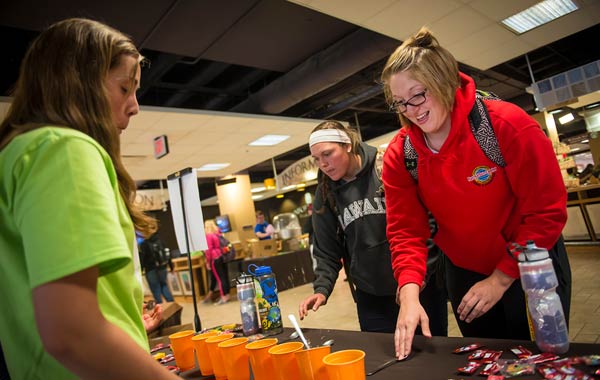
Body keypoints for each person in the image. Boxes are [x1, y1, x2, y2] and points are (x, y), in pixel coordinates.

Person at [0, 18, 179, 379]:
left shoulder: (19, 152)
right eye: (125, 88)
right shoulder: (63, 148)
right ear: (79, 82)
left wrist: (128, 330)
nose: (134, 106)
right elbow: (72, 334)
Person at [380, 27, 571, 358]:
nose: (411, 110)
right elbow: (406, 231)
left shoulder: (505, 125)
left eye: (418, 95)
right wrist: (409, 296)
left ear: (444, 82)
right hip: (465, 268)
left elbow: (545, 211)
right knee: (485, 360)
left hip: (528, 262)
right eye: (400, 102)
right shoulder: (402, 155)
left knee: (538, 359)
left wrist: (500, 279)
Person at [298, 120, 448, 334]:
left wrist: (420, 276)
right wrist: (322, 288)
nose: (323, 163)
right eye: (316, 159)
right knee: (382, 360)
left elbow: (427, 222)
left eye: (328, 154)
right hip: (371, 296)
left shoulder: (386, 167)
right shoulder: (325, 192)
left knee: (432, 355)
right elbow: (326, 248)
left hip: (418, 285)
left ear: (348, 145)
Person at [139, 232, 175, 304]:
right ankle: (172, 304)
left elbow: (141, 259)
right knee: (164, 285)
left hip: (150, 269)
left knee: (155, 289)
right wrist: (171, 267)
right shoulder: (160, 241)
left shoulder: (144, 244)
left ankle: (160, 308)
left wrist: (141, 270)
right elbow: (168, 254)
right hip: (162, 268)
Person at [203, 220, 231, 305]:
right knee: (224, 277)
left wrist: (208, 262)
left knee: (219, 279)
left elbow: (208, 251)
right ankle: (227, 295)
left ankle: (223, 297)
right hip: (221, 256)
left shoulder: (208, 236)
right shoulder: (217, 234)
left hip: (215, 258)